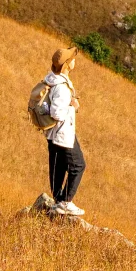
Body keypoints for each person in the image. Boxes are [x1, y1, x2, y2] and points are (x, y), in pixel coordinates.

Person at [43, 47, 86, 217]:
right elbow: (57, 113)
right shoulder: (61, 86)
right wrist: (72, 106)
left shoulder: (53, 80)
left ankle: (58, 200)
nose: (74, 60)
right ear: (67, 65)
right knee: (78, 165)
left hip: (52, 134)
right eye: (72, 59)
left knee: (58, 166)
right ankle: (66, 202)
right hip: (62, 134)